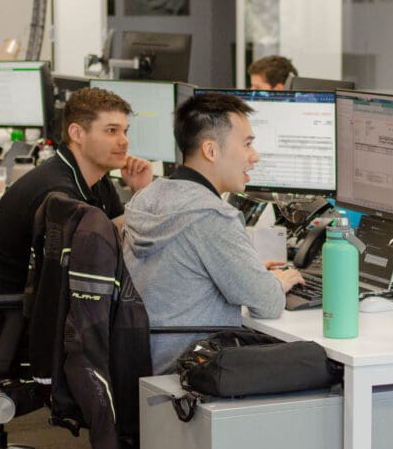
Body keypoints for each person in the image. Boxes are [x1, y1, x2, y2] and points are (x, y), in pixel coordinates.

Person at [122, 91, 304, 374]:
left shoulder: (147, 196)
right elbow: (267, 303)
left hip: (139, 361)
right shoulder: (212, 215)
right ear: (210, 150)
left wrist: (252, 273)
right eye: (246, 144)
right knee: (312, 366)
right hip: (188, 370)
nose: (254, 157)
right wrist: (277, 282)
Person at [0, 87, 154, 348]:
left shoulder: (96, 180)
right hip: (12, 323)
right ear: (77, 133)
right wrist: (143, 202)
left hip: (44, 307)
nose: (124, 141)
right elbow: (91, 255)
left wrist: (139, 192)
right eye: (111, 131)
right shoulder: (56, 192)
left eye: (125, 131)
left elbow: (119, 243)